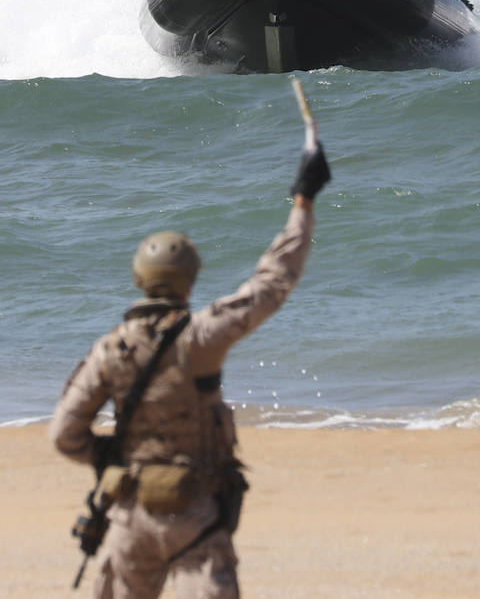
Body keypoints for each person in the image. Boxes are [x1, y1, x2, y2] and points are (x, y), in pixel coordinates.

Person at [51, 141, 332, 598]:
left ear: (140, 277)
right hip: (194, 514)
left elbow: (65, 434)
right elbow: (271, 283)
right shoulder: (200, 338)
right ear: (191, 278)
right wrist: (303, 200)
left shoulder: (110, 350)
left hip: (129, 515)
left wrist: (114, 459)